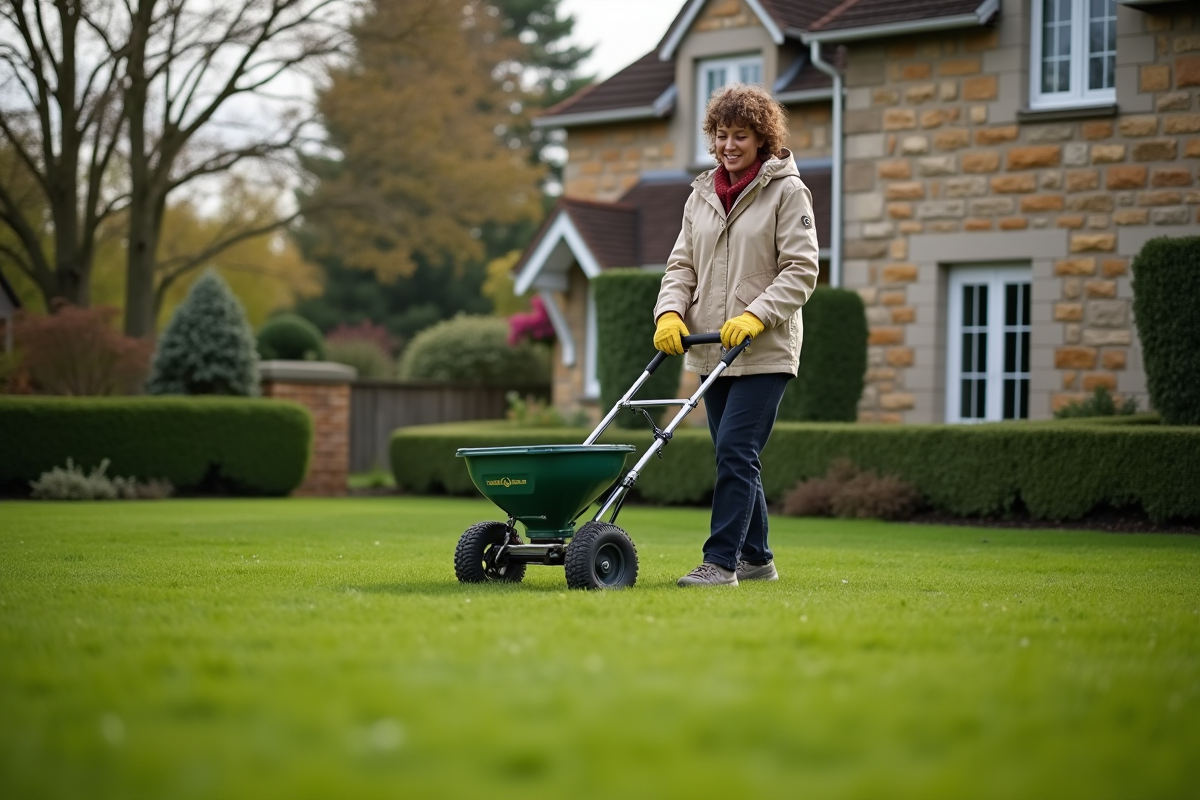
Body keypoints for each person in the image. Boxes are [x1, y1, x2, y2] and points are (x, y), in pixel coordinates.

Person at [653, 83, 820, 587]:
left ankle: (720, 563)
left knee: (735, 452)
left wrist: (757, 315)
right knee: (735, 453)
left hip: (764, 348)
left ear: (762, 140)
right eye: (722, 135)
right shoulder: (700, 196)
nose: (729, 145)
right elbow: (681, 265)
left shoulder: (787, 192)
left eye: (740, 136)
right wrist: (669, 313)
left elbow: (801, 269)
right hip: (711, 347)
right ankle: (758, 560)